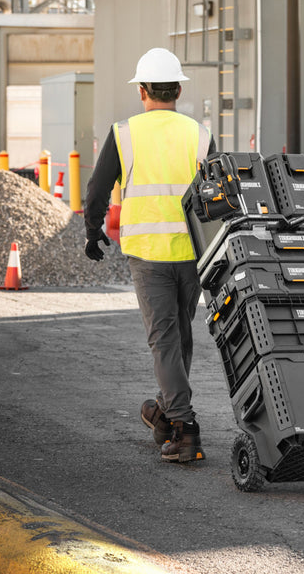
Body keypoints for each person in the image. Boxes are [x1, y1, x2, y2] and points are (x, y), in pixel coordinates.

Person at [84, 47, 214, 463]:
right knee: (179, 338)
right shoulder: (201, 134)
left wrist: (92, 230)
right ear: (177, 89)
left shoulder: (124, 133)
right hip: (193, 255)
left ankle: (184, 427)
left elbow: (98, 189)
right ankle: (163, 413)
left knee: (164, 340)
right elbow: (222, 194)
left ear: (142, 91)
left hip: (148, 255)